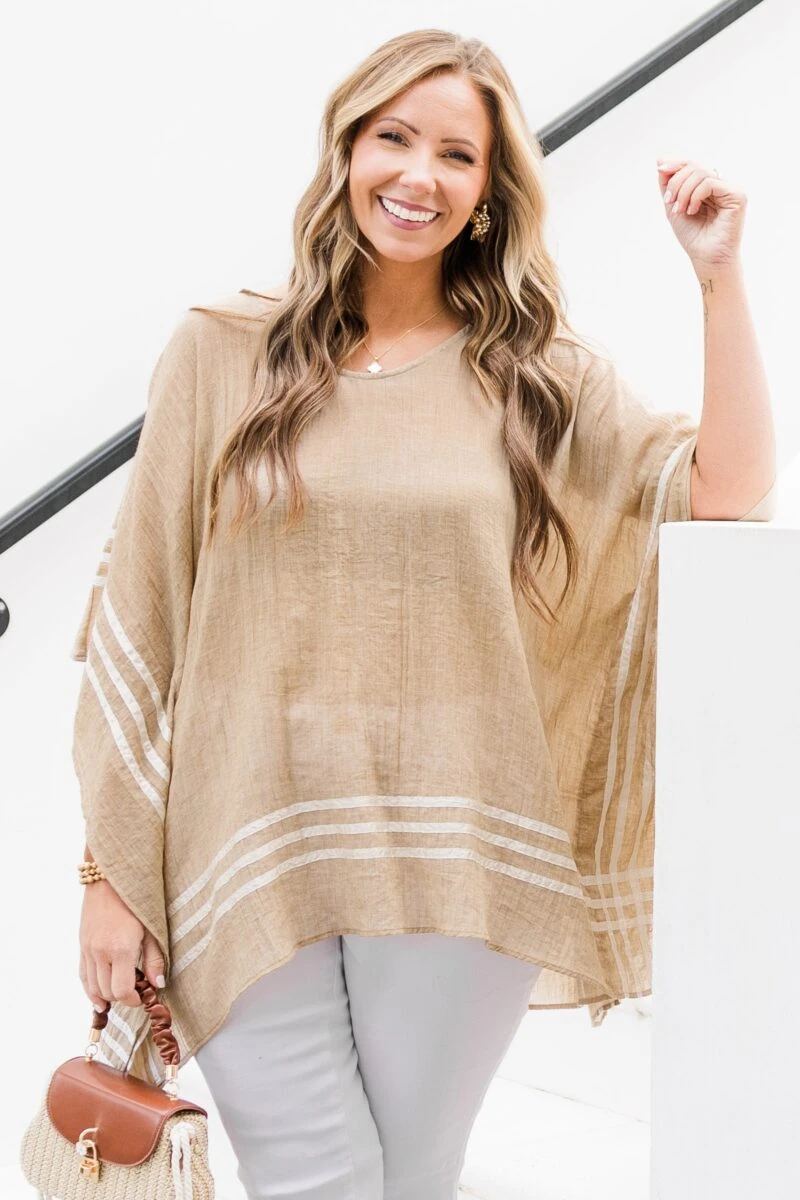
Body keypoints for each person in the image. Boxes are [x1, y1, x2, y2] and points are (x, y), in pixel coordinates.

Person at [71, 27, 776, 1200]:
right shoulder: (219, 351)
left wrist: (716, 276)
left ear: (488, 191)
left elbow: (724, 488)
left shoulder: (532, 374)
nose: (418, 174)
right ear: (346, 150)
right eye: (393, 138)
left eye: (456, 154)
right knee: (313, 1174)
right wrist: (108, 874)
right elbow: (140, 607)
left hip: (456, 847)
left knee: (407, 1180)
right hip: (238, 838)